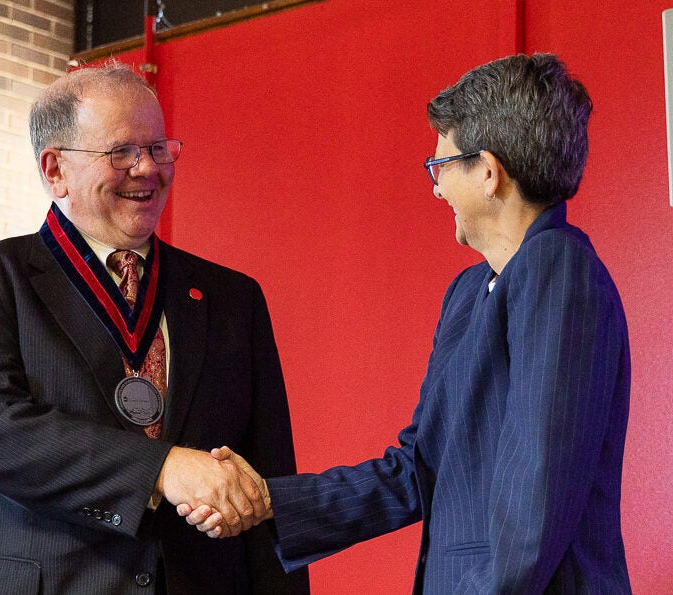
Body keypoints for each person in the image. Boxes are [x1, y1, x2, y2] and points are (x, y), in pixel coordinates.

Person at [182, 53, 633, 593]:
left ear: (488, 172)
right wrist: (267, 502)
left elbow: (536, 495)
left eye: (440, 166)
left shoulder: (557, 267)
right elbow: (416, 470)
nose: (437, 187)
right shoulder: (469, 292)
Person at [0, 61, 309, 594]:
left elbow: (268, 487)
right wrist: (162, 469)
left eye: (159, 149)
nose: (147, 168)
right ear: (55, 169)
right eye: (122, 152)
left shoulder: (232, 300)